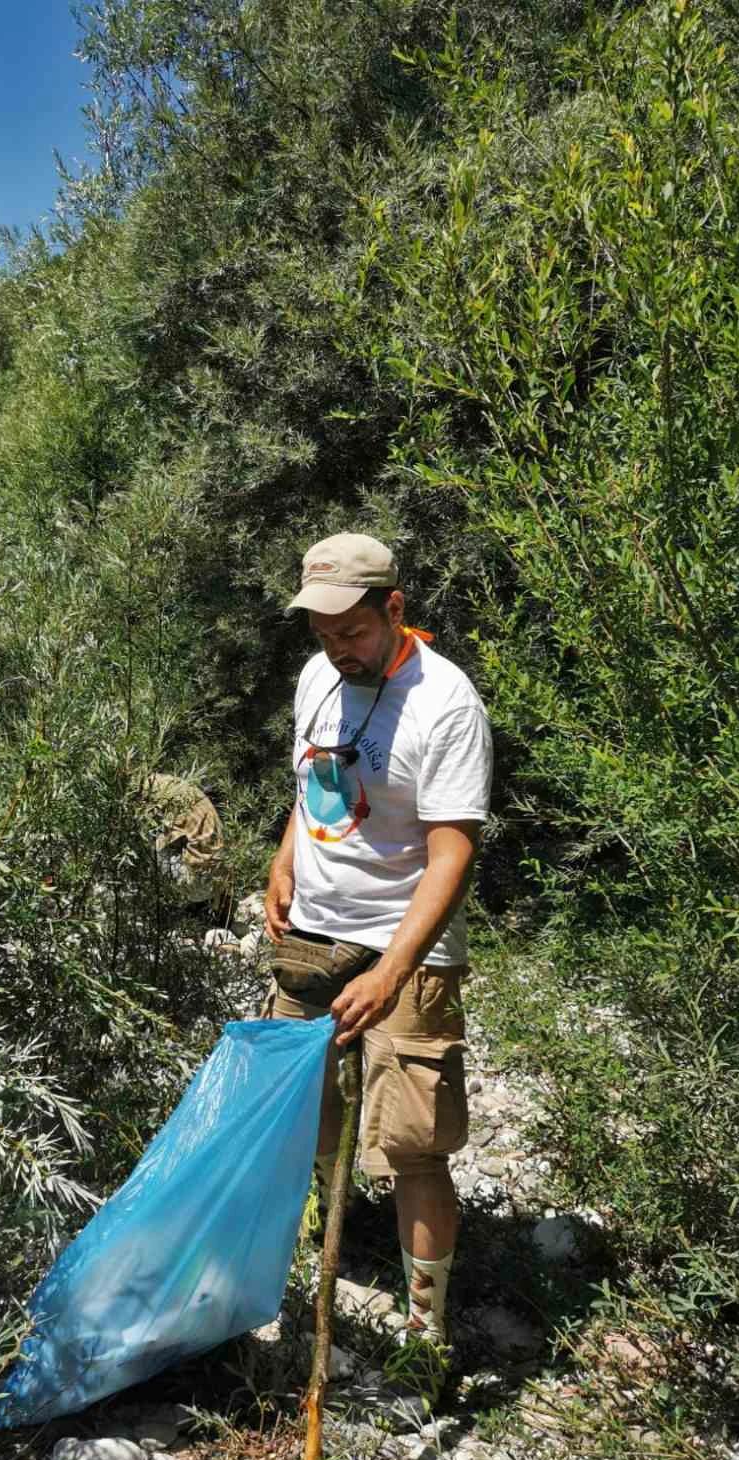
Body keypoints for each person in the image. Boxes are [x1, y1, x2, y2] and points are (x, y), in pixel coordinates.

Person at [264, 531, 492, 1388]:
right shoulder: (317, 676)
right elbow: (311, 784)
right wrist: (285, 857)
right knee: (306, 1111)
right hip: (313, 932)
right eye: (323, 634)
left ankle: (425, 1337)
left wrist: (392, 971)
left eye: (353, 631)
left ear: (394, 609)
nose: (338, 649)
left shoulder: (446, 705)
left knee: (413, 1144)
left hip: (409, 949)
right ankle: (319, 1259)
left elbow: (453, 853)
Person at [142, 772, 225, 906]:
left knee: (148, 840)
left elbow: (164, 838)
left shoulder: (151, 795)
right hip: (218, 874)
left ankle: (156, 900)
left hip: (200, 884)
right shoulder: (170, 784)